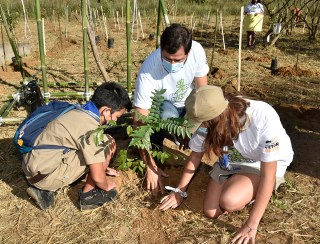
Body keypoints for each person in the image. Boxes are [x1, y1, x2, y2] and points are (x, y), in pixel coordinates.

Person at [159, 85, 293, 243]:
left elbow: (268, 176)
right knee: (211, 211)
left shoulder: (263, 117)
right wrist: (179, 191)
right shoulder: (209, 123)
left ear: (214, 120)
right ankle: (240, 182)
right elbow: (195, 156)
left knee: (229, 201)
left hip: (261, 163)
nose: (200, 127)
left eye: (202, 123)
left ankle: (251, 192)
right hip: (232, 160)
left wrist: (251, 225)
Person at [22, 82, 132, 210]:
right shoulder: (89, 127)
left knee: (97, 148)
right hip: (44, 177)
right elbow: (97, 176)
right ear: (106, 111)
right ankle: (88, 196)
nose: (116, 120)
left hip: (33, 167)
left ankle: (43, 187)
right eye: (117, 116)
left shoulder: (79, 110)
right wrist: (105, 183)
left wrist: (104, 167)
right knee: (108, 142)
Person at [133, 23, 209, 196]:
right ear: (161, 48)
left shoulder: (197, 51)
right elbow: (139, 123)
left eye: (178, 60)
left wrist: (193, 127)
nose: (172, 64)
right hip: (164, 107)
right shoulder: (148, 71)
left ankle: (182, 136)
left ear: (188, 53)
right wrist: (150, 166)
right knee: (167, 115)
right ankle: (165, 139)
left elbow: (202, 94)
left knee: (203, 126)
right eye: (167, 59)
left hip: (189, 103)